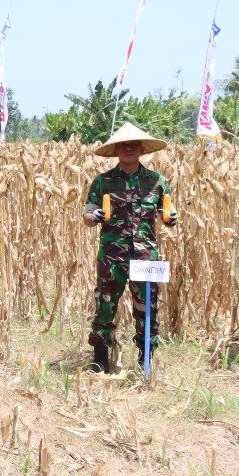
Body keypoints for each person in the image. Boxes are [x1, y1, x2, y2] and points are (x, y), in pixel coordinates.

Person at [81, 122, 178, 373]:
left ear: (142, 149)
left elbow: (166, 212)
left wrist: (172, 217)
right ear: (115, 151)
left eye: (133, 145)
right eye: (123, 145)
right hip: (112, 256)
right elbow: (87, 217)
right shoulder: (103, 182)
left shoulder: (157, 182)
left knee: (147, 306)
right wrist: (97, 216)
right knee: (105, 305)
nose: (128, 149)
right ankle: (100, 358)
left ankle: (146, 359)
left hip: (145, 256)